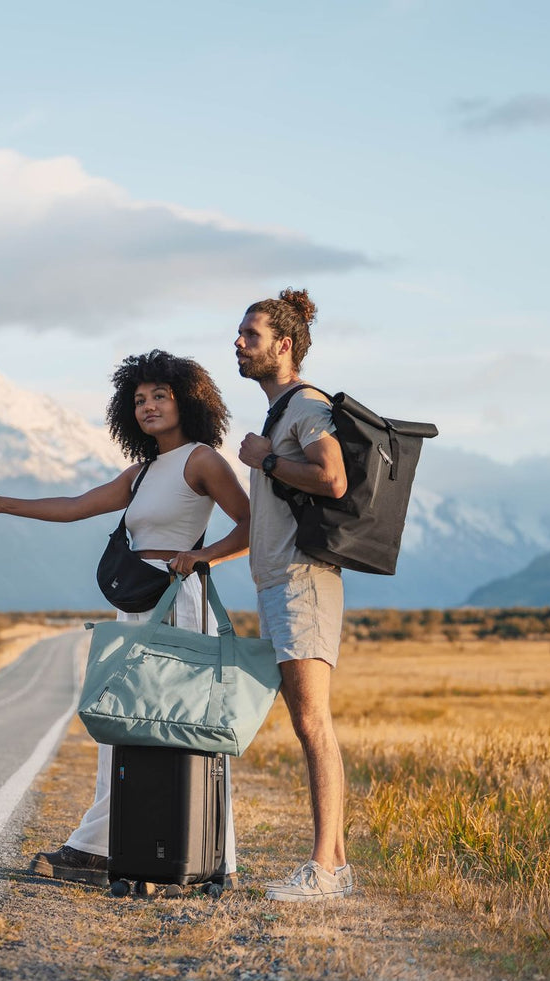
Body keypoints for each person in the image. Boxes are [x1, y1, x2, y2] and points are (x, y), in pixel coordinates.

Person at [0, 350, 250, 887]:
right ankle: (101, 848)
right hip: (136, 601)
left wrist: (203, 556)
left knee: (187, 723)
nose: (148, 406)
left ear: (187, 400)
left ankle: (215, 856)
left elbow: (251, 525)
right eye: (139, 400)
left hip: (179, 603)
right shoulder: (140, 473)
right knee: (120, 720)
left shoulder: (202, 460)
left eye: (160, 396)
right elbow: (77, 505)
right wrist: (5, 504)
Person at [233, 288, 354, 901]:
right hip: (282, 582)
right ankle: (335, 866)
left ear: (283, 346)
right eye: (239, 334)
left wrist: (266, 461)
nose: (238, 343)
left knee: (312, 724)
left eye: (250, 335)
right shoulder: (281, 412)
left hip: (302, 581)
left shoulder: (305, 405)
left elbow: (332, 477)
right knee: (309, 724)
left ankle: (324, 871)